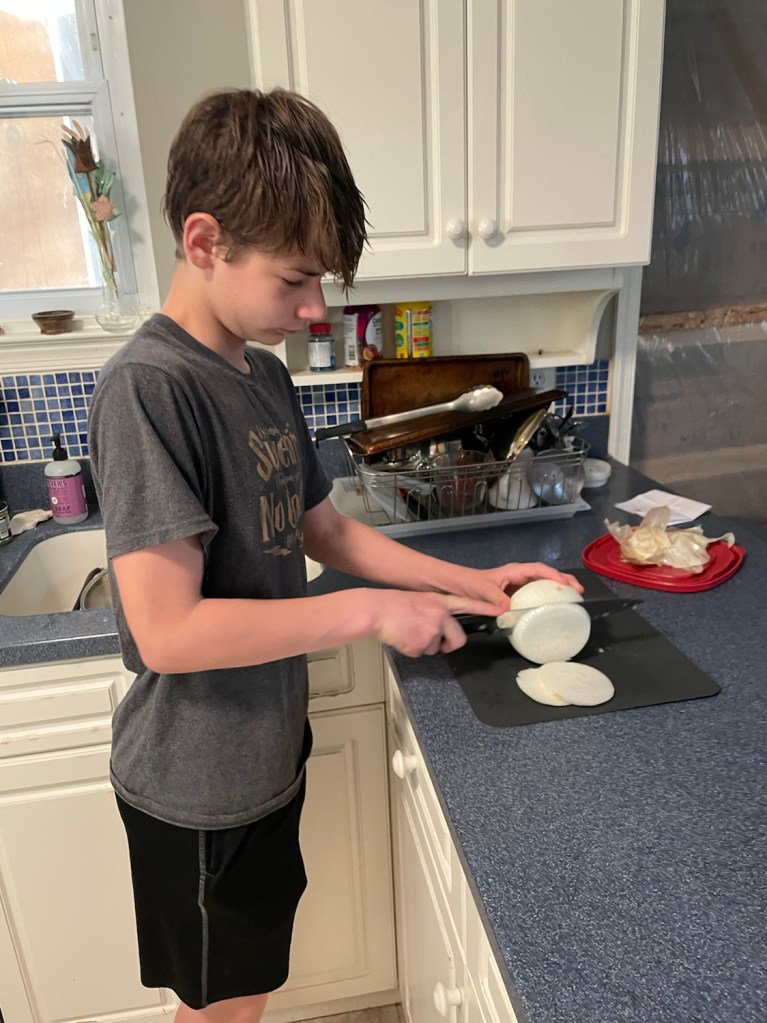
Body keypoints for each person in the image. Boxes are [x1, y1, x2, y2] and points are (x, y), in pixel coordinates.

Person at [88, 87, 581, 1023]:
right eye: (294, 278)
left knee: (245, 991)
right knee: (221, 1009)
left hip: (263, 756)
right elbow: (165, 632)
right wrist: (365, 610)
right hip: (196, 784)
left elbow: (326, 530)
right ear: (204, 242)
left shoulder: (259, 373)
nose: (316, 308)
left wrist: (474, 582)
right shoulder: (149, 388)